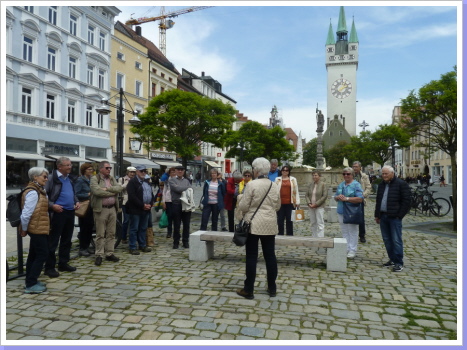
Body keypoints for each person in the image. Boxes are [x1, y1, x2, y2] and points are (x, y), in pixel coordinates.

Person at [236, 157, 281, 299]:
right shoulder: (274, 185)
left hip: (253, 223)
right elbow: (278, 206)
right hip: (269, 224)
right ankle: (272, 287)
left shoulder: (252, 185)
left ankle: (248, 289)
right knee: (270, 256)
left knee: (251, 256)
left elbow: (243, 206)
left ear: (256, 170)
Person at [44, 157, 80, 278]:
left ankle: (63, 263)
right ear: (59, 166)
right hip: (58, 213)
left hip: (70, 212)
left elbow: (72, 193)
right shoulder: (51, 178)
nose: (70, 167)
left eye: (70, 165)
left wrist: (76, 201)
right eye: (67, 165)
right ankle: (49, 267)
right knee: (53, 241)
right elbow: (43, 196)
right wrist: (52, 206)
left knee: (67, 239)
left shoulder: (68, 179)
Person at [374, 165, 411, 272]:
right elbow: (379, 200)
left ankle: (399, 262)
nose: (384, 176)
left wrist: (399, 215)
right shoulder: (381, 185)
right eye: (383, 174)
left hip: (394, 217)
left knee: (396, 240)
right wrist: (377, 215)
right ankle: (392, 259)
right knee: (387, 240)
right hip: (383, 216)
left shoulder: (401, 184)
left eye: (386, 174)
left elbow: (407, 201)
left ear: (392, 173)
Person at [20, 167, 50, 293]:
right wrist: (24, 229)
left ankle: (30, 280)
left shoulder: (38, 190)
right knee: (42, 254)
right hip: (37, 228)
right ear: (35, 177)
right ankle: (31, 283)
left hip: (38, 227)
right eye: (44, 176)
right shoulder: (33, 192)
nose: (46, 179)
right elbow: (26, 214)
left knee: (33, 254)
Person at [90, 161, 123, 266]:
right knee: (100, 233)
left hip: (112, 208)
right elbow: (97, 192)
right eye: (107, 168)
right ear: (101, 169)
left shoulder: (112, 178)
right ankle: (99, 254)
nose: (109, 170)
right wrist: (112, 192)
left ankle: (109, 253)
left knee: (111, 233)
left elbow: (119, 188)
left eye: (110, 168)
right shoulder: (95, 178)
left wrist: (108, 189)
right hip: (101, 209)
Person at [334, 167, 364, 259]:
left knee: (352, 231)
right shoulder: (341, 185)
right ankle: (346, 248)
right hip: (341, 210)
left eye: (348, 174)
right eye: (344, 174)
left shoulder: (356, 185)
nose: (346, 175)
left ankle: (352, 250)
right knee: (344, 230)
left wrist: (347, 199)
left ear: (352, 175)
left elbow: (360, 199)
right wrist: (338, 197)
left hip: (352, 211)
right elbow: (335, 197)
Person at [126, 165, 154, 255]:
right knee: (134, 228)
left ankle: (142, 245)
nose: (143, 173)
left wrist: (151, 203)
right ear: (137, 172)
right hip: (136, 209)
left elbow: (151, 193)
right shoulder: (132, 182)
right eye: (141, 171)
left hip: (146, 209)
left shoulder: (146, 182)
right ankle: (132, 247)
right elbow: (132, 197)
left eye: (145, 171)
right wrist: (142, 205)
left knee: (143, 228)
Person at [169, 165, 192, 249]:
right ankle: (176, 242)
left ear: (184, 171)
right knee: (176, 224)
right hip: (176, 204)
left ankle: (185, 241)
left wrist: (181, 188)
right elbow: (177, 189)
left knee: (186, 225)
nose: (180, 171)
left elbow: (191, 189)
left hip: (186, 205)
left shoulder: (187, 180)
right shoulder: (172, 180)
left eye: (181, 170)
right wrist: (185, 188)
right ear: (175, 171)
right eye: (178, 170)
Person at [75, 163, 95, 257]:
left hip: (91, 206)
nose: (91, 171)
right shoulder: (80, 180)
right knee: (84, 228)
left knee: (90, 227)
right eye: (89, 169)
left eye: (92, 169)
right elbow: (76, 193)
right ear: (84, 170)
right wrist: (87, 195)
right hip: (84, 206)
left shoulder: (91, 179)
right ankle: (82, 248)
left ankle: (87, 246)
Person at [274, 165, 300, 236]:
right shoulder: (277, 179)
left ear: (289, 172)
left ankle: (290, 234)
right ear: (281, 171)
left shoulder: (293, 179)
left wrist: (297, 201)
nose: (285, 172)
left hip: (290, 202)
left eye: (286, 170)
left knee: (289, 219)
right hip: (280, 203)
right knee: (280, 220)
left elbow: (296, 190)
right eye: (283, 170)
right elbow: (275, 190)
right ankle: (280, 233)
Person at [352, 161, 372, 243]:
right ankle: (352, 234)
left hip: (360, 199)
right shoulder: (350, 175)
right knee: (351, 217)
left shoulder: (364, 176)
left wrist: (363, 195)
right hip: (351, 199)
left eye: (356, 167)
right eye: (353, 166)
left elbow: (368, 187)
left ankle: (362, 235)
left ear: (360, 167)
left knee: (361, 218)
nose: (355, 168)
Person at [305, 171, 328, 238]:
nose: (314, 177)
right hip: (311, 206)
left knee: (320, 222)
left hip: (319, 206)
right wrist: (309, 203)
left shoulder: (323, 184)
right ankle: (314, 237)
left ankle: (320, 238)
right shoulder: (310, 185)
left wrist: (316, 204)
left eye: (316, 175)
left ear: (319, 176)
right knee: (313, 222)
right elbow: (306, 195)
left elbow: (324, 196)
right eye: (313, 175)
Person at [117, 166, 137, 245]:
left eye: (133, 172)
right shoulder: (122, 179)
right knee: (126, 220)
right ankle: (123, 237)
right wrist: (127, 183)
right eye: (131, 172)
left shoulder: (136, 180)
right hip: (125, 202)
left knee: (134, 220)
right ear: (127, 172)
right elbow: (119, 189)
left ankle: (132, 237)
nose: (132, 174)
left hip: (134, 202)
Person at [162, 167, 176, 238]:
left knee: (176, 216)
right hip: (168, 200)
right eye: (171, 172)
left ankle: (176, 231)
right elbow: (164, 191)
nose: (173, 173)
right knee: (169, 216)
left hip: (176, 200)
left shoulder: (178, 179)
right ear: (169, 173)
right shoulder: (167, 180)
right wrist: (163, 201)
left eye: (174, 172)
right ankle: (169, 232)